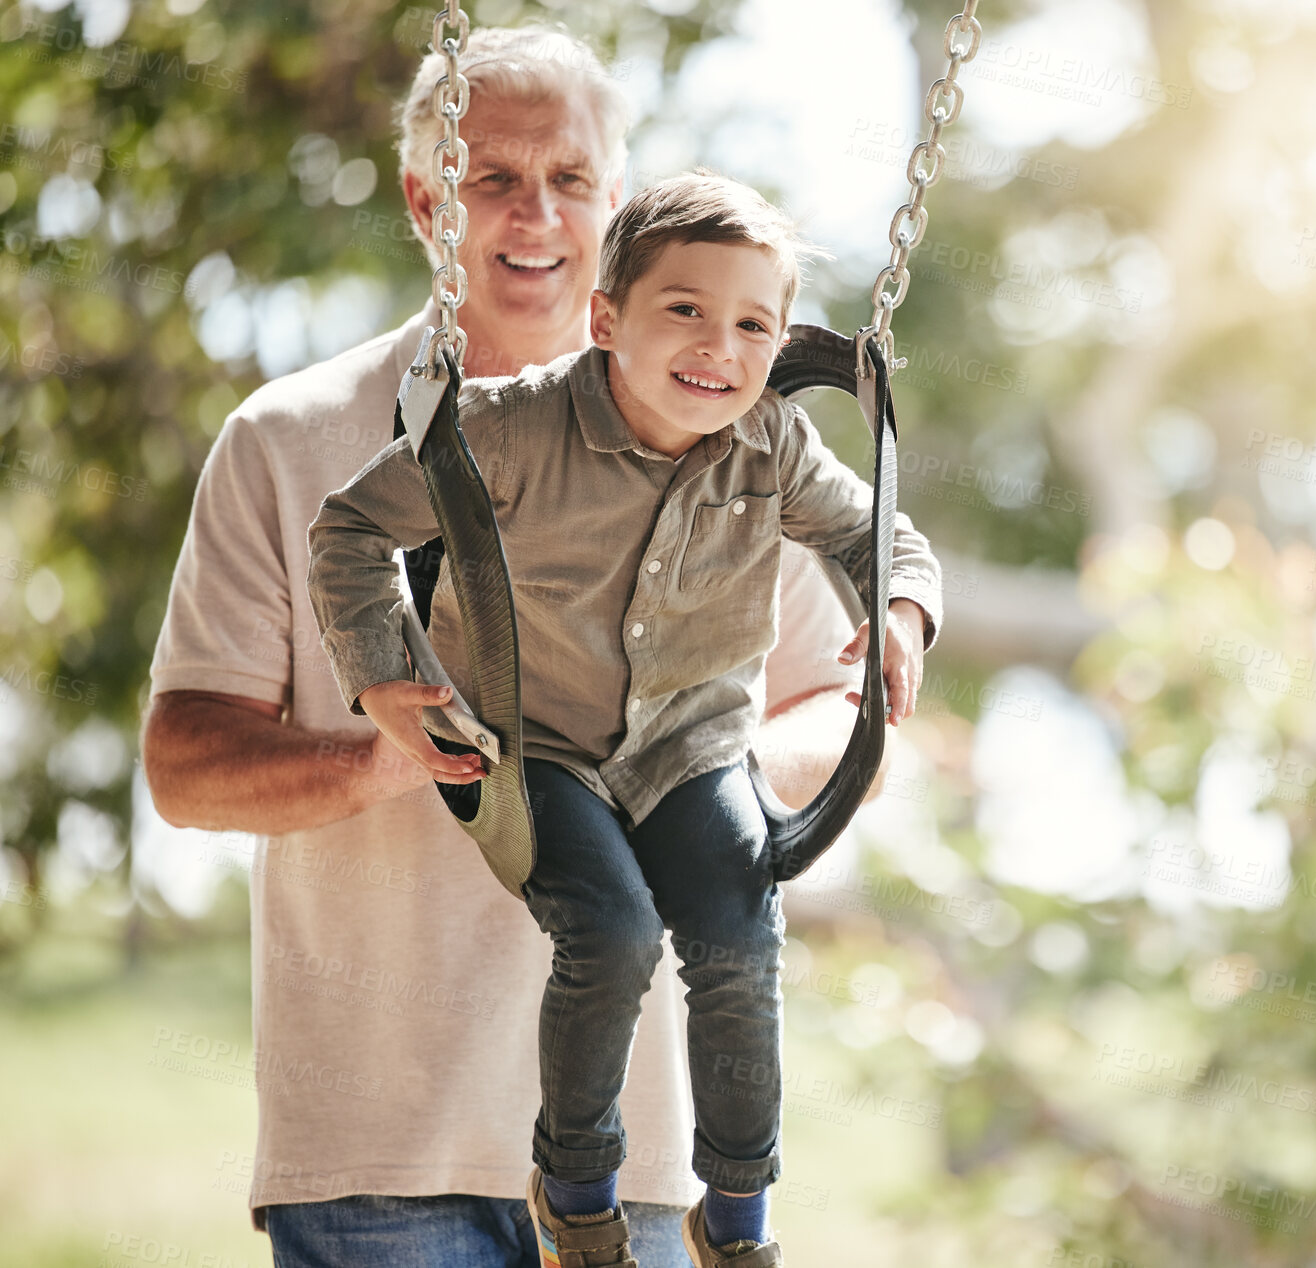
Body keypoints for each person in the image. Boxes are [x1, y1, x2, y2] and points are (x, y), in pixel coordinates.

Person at [140, 28, 881, 1268]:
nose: (536, 213)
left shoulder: (725, 436)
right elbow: (185, 767)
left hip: (640, 1164)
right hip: (381, 1156)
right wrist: (415, 748)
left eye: (573, 180)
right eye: (494, 178)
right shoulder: (287, 441)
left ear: (616, 204)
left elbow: (830, 701)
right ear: (428, 197)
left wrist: (689, 775)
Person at [305, 172, 943, 1268]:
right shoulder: (504, 428)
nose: (719, 345)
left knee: (739, 941)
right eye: (684, 309)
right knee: (610, 932)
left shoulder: (772, 444)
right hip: (533, 743)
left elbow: (885, 537)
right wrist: (380, 678)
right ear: (606, 320)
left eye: (753, 322)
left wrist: (897, 610)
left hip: (689, 744)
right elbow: (351, 530)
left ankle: (735, 1214)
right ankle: (576, 1185)